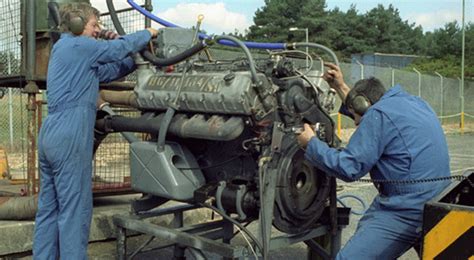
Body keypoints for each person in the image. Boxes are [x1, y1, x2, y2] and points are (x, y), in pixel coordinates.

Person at [33, 3, 158, 259]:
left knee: (49, 207)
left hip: (51, 133)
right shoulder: (80, 45)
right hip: (70, 132)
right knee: (74, 209)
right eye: (94, 25)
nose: (97, 30)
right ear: (78, 24)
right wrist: (149, 34)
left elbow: (110, 69)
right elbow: (117, 48)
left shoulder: (65, 48)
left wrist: (135, 61)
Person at [297, 63, 451, 259]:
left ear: (364, 104)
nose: (355, 124)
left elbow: (349, 167)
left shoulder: (378, 115)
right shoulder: (413, 102)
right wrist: (341, 87)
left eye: (355, 119)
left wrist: (310, 143)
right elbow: (367, 112)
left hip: (406, 208)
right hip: (438, 200)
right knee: (368, 224)